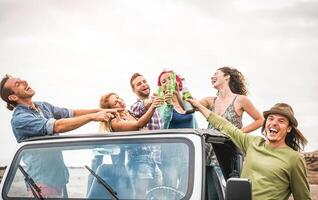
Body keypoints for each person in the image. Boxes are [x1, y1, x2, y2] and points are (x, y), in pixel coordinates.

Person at [0, 74, 117, 198]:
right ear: (13, 96)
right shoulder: (20, 119)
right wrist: (92, 117)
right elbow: (56, 126)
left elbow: (72, 113)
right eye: (17, 84)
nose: (24, 81)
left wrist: (103, 111)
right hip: (41, 186)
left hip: (58, 181)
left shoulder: (42, 106)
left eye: (21, 79)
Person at [189, 98, 311, 200]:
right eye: (271, 118)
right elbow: (226, 126)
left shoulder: (294, 159)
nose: (274, 123)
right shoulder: (253, 143)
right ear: (266, 123)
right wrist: (199, 107)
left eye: (281, 121)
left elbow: (303, 197)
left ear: (289, 128)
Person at [99, 92, 163, 199]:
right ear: (110, 109)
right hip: (138, 162)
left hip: (150, 159)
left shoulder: (129, 113)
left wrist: (152, 102)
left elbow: (143, 107)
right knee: (140, 197)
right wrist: (153, 106)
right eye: (115, 103)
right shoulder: (114, 122)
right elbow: (138, 125)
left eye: (118, 97)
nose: (120, 101)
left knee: (159, 194)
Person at [157, 70, 196, 192]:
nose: (167, 82)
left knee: (187, 188)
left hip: (189, 153)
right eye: (163, 81)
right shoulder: (161, 104)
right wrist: (168, 104)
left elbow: (191, 111)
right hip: (170, 154)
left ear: (176, 81)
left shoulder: (186, 100)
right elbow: (163, 122)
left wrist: (178, 93)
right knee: (171, 188)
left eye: (169, 79)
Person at [200, 66, 263, 132]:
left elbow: (260, 120)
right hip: (209, 142)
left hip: (231, 142)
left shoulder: (241, 100)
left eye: (216, 74)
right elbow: (189, 106)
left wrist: (239, 133)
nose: (212, 77)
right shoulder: (209, 101)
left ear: (227, 76)